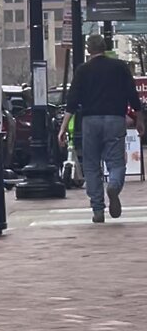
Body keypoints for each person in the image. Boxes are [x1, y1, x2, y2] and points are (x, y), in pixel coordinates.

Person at [60, 34, 145, 223]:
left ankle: (98, 209)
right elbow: (133, 95)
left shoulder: (82, 71)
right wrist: (139, 119)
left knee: (91, 166)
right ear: (105, 47)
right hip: (115, 119)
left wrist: (63, 127)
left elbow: (72, 102)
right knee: (116, 162)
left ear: (89, 50)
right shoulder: (120, 67)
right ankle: (113, 185)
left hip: (90, 121)